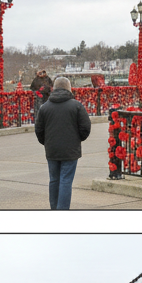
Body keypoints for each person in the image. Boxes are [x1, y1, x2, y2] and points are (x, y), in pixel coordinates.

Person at [34, 75, 91, 210]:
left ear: (54, 88)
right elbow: (86, 128)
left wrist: (47, 142)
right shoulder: (76, 106)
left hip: (52, 149)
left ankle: (54, 208)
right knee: (66, 180)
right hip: (70, 150)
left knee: (54, 179)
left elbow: (39, 130)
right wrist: (77, 139)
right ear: (69, 89)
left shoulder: (45, 107)